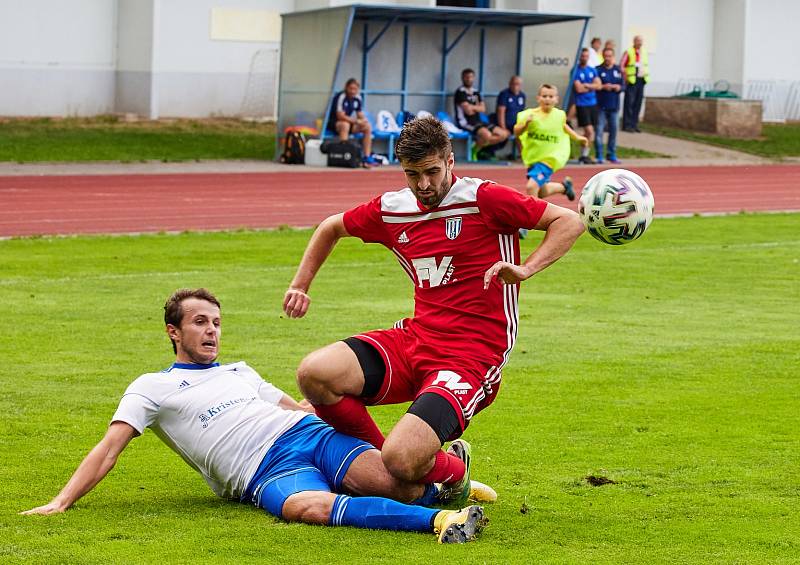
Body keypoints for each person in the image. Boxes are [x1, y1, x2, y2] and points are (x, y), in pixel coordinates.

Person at [21, 288, 487, 544]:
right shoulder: (150, 386)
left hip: (309, 436)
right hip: (261, 472)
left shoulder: (240, 371)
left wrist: (335, 395)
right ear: (173, 331)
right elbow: (108, 450)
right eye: (200, 322)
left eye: (216, 323)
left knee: (400, 482)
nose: (211, 331)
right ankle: (443, 521)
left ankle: (452, 477)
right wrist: (61, 502)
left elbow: (298, 407)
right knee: (308, 509)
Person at [283, 117, 585, 504]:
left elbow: (568, 220)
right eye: (412, 175)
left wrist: (524, 269)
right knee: (314, 375)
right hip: (416, 338)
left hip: (472, 355)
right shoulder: (393, 209)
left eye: (431, 172)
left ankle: (451, 469)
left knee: (402, 458)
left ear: (450, 161)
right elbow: (331, 227)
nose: (423, 185)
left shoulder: (485, 198)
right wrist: (299, 285)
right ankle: (396, 466)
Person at [514, 84, 588, 207]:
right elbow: (516, 132)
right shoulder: (529, 115)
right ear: (538, 98)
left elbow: (564, 127)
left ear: (556, 99)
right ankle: (564, 187)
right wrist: (525, 124)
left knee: (531, 187)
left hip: (550, 158)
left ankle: (532, 220)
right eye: (544, 96)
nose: (547, 99)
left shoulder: (559, 115)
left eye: (551, 96)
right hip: (533, 158)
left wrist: (578, 137)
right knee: (541, 192)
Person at [454, 68, 509, 160]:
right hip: (466, 122)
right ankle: (475, 150)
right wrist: (477, 108)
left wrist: (473, 107)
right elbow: (468, 111)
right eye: (466, 77)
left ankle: (478, 146)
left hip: (479, 121)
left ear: (474, 78)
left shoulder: (476, 92)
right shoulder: (460, 92)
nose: (469, 79)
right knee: (487, 135)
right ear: (462, 78)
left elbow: (483, 109)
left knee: (503, 134)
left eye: (471, 77)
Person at [328, 78, 380, 166]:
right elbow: (340, 116)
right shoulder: (341, 96)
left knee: (367, 127)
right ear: (346, 88)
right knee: (345, 125)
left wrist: (363, 120)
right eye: (350, 88)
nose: (352, 91)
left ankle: (366, 157)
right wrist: (356, 121)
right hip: (335, 123)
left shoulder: (358, 98)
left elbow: (359, 113)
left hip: (349, 123)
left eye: (355, 89)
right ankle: (344, 155)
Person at [572, 48, 602, 164]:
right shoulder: (576, 71)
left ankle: (584, 154)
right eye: (582, 56)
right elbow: (578, 89)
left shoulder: (592, 70)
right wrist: (592, 86)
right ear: (579, 57)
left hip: (592, 103)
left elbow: (599, 86)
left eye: (586, 56)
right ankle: (584, 153)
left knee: (590, 132)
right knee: (589, 131)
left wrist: (587, 85)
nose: (584, 58)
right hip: (581, 104)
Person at [595, 47, 624, 164]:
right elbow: (595, 86)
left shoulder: (618, 70)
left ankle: (611, 154)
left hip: (614, 107)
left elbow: (624, 86)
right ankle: (599, 155)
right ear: (603, 56)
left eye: (610, 56)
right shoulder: (597, 70)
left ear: (613, 57)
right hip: (601, 106)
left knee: (614, 131)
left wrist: (619, 88)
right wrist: (603, 86)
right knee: (599, 131)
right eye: (606, 56)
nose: (608, 58)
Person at [620, 35, 649, 132]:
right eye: (638, 41)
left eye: (641, 41)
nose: (640, 43)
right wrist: (625, 77)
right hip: (632, 80)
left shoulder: (644, 52)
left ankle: (634, 124)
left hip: (641, 79)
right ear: (634, 41)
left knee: (638, 103)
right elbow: (622, 66)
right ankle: (627, 125)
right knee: (629, 103)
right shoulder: (629, 52)